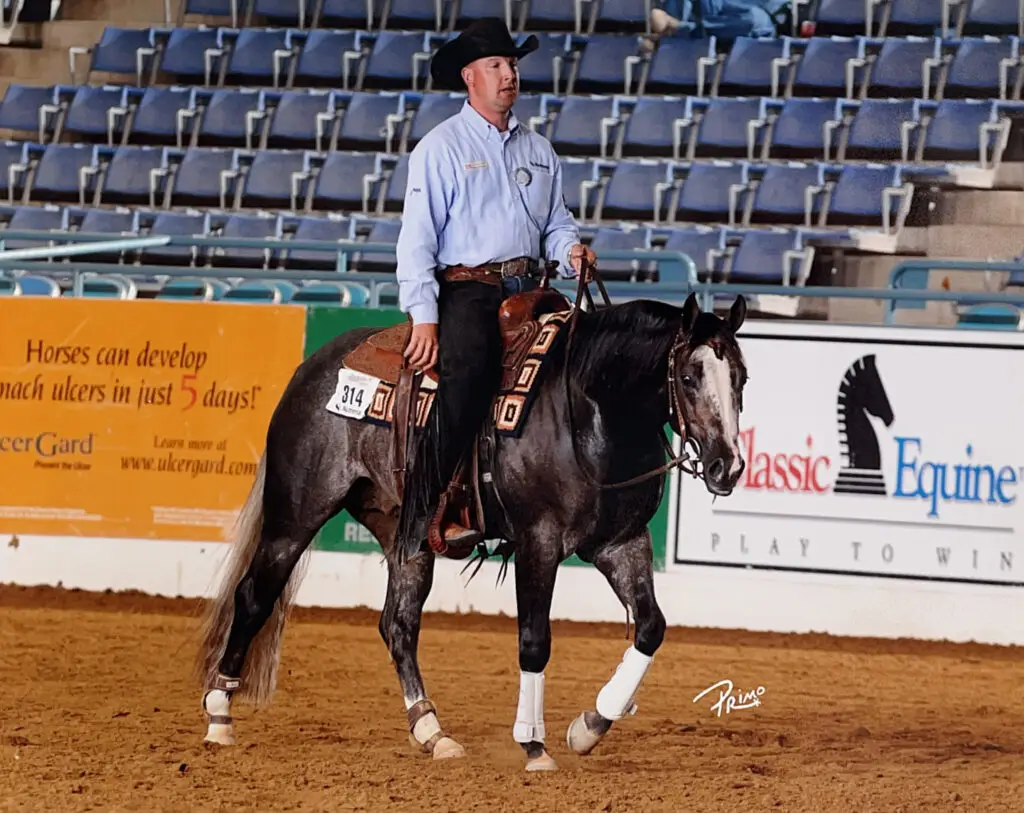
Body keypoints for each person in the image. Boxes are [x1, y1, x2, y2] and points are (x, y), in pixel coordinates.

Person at [393, 17, 596, 559]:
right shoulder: (440, 148)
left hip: (531, 288)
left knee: (584, 361)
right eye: (497, 66)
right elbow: (416, 239)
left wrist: (570, 252)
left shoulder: (539, 150)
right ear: (470, 77)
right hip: (469, 289)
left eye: (512, 65)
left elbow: (556, 222)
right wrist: (424, 315)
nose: (510, 75)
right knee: (471, 374)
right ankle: (424, 506)